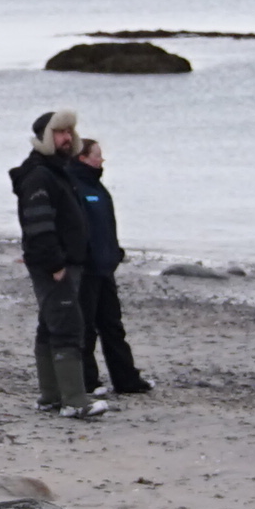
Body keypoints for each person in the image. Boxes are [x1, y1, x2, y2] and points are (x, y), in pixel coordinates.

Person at [9, 109, 101, 418]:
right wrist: (54, 263)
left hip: (65, 261)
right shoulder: (39, 174)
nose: (67, 137)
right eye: (60, 132)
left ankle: (50, 396)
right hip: (54, 264)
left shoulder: (57, 171)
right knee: (66, 327)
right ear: (46, 137)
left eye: (69, 132)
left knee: (50, 325)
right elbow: (38, 224)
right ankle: (74, 401)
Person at [74, 127, 147, 398]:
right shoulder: (75, 186)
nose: (101, 160)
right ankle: (87, 381)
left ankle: (126, 379)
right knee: (86, 328)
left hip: (105, 266)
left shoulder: (97, 187)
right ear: (82, 158)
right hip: (86, 268)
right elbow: (77, 228)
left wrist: (115, 252)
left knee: (112, 325)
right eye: (97, 155)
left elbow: (105, 226)